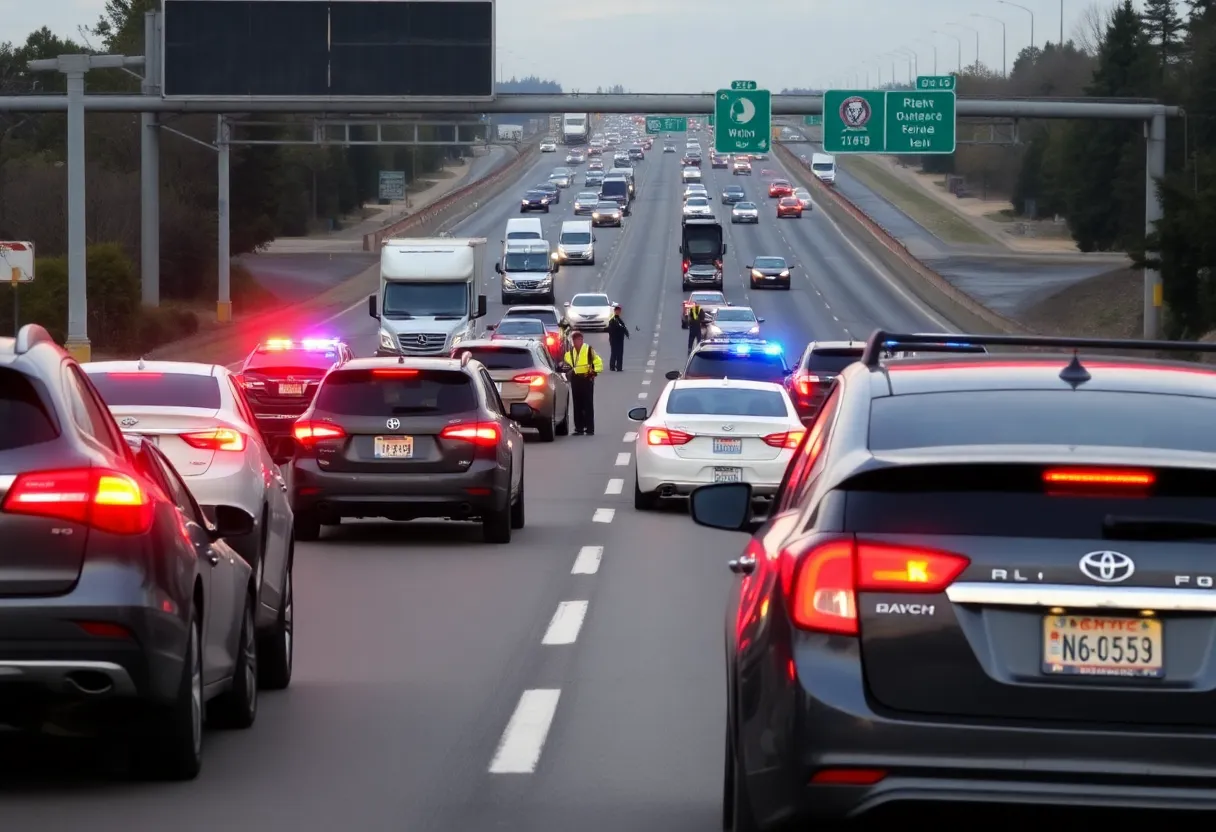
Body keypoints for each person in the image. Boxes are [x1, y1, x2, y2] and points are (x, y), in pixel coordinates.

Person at [563, 330, 603, 435]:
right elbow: (567, 365)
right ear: (573, 341)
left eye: (580, 339)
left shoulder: (589, 350)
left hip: (586, 378)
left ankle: (590, 428)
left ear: (582, 340)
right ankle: (579, 428)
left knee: (588, 404)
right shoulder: (570, 353)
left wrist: (594, 372)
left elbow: (598, 362)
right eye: (576, 340)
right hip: (575, 379)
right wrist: (566, 370)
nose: (578, 342)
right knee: (577, 404)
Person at [607, 304, 629, 371]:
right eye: (616, 310)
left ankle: (619, 367)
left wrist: (626, 333)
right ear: (614, 311)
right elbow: (611, 329)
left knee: (619, 353)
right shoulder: (612, 319)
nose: (618, 311)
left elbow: (623, 328)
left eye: (619, 310)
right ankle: (612, 366)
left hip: (620, 339)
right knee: (614, 352)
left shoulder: (619, 319)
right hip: (614, 339)